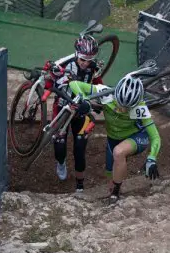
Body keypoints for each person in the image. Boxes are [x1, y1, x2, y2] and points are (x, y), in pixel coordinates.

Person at [67, 74, 161, 203]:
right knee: (110, 178)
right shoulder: (106, 93)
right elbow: (74, 84)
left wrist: (152, 157)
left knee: (119, 152)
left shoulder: (140, 107)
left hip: (136, 137)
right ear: (115, 94)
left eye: (127, 108)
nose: (122, 109)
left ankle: (116, 193)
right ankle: (114, 189)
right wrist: (85, 100)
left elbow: (155, 136)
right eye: (120, 103)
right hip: (113, 138)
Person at [50, 35, 103, 192]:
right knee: (60, 149)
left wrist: (98, 103)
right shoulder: (63, 65)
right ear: (76, 54)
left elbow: (99, 87)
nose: (86, 63)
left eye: (90, 59)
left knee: (80, 149)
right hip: (62, 109)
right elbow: (49, 85)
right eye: (82, 59)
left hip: (81, 113)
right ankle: (61, 162)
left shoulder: (94, 68)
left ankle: (80, 186)